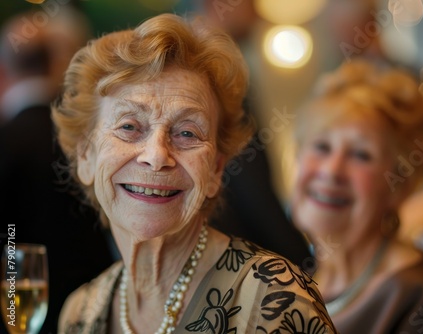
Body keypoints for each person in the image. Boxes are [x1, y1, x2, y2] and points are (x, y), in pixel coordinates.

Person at [53, 13, 337, 333]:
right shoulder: (80, 312)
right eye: (129, 126)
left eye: (187, 133)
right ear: (86, 156)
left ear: (216, 168)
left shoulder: (276, 303)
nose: (157, 156)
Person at [289, 59, 423, 333]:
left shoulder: (420, 300)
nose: (331, 171)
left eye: (360, 154)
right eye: (321, 146)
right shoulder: (299, 280)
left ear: (399, 185)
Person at [0, 8, 114, 334]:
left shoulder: (6, 141)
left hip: (16, 313)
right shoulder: (87, 141)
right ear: (54, 66)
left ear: (4, 71)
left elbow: (11, 244)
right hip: (89, 313)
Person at [195, 0, 312, 270]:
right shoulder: (219, 72)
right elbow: (252, 186)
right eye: (252, 2)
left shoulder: (201, 64)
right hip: (241, 261)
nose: (260, 13)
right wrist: (301, 261)